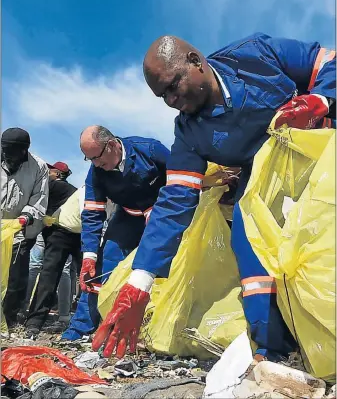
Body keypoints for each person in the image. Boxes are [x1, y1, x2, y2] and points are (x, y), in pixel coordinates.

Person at [92, 33, 335, 361]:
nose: (170, 101)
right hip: (259, 182)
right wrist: (141, 281)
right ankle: (275, 354)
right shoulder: (189, 134)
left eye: (172, 87)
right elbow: (175, 201)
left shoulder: (256, 54)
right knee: (248, 247)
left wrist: (321, 99)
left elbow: (329, 61)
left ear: (195, 62)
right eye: (161, 96)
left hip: (321, 151)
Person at [61, 125, 169, 341]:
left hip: (162, 217)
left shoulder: (149, 150)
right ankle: (80, 328)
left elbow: (181, 180)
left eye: (97, 158)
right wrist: (89, 255)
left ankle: (158, 328)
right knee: (100, 268)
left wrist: (162, 212)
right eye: (88, 159)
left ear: (111, 145)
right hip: (127, 218)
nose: (95, 165)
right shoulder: (97, 173)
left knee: (163, 268)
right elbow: (92, 213)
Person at [24, 161, 81, 338]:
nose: (47, 172)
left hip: (59, 234)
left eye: (50, 170)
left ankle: (34, 321)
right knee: (83, 276)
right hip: (81, 234)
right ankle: (72, 317)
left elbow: (34, 201)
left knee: (48, 275)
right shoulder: (73, 190)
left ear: (57, 173)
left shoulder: (51, 185)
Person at [1, 127, 49, 328]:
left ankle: (8, 317)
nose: (8, 157)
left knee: (15, 277)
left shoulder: (38, 167)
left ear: (24, 151)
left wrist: (25, 217)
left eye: (13, 153)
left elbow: (40, 197)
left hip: (19, 231)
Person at [22, 233, 74, 328]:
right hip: (67, 228)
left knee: (34, 266)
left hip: (46, 223)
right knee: (64, 270)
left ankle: (23, 310)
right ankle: (64, 316)